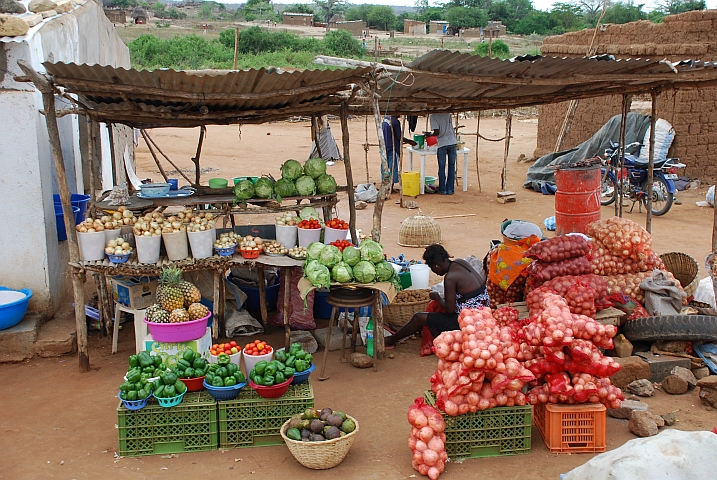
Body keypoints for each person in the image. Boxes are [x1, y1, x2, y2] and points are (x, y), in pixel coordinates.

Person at [385, 245, 489, 348]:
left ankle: (391, 340)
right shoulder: (460, 262)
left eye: (431, 268)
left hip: (470, 322)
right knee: (432, 315)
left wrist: (437, 297)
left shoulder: (450, 277)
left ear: (436, 265)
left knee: (419, 317)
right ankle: (405, 330)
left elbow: (450, 310)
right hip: (484, 314)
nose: (433, 271)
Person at [382, 115, 417, 192]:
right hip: (392, 147)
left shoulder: (385, 119)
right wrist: (410, 141)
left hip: (384, 146)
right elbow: (399, 136)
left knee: (384, 166)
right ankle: (390, 187)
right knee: (393, 167)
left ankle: (385, 185)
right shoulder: (395, 122)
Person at [430, 113, 458, 194]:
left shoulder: (433, 116)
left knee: (442, 167)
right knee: (451, 167)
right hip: (452, 142)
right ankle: (450, 189)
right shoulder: (447, 114)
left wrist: (429, 134)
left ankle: (442, 189)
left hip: (442, 143)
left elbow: (436, 132)